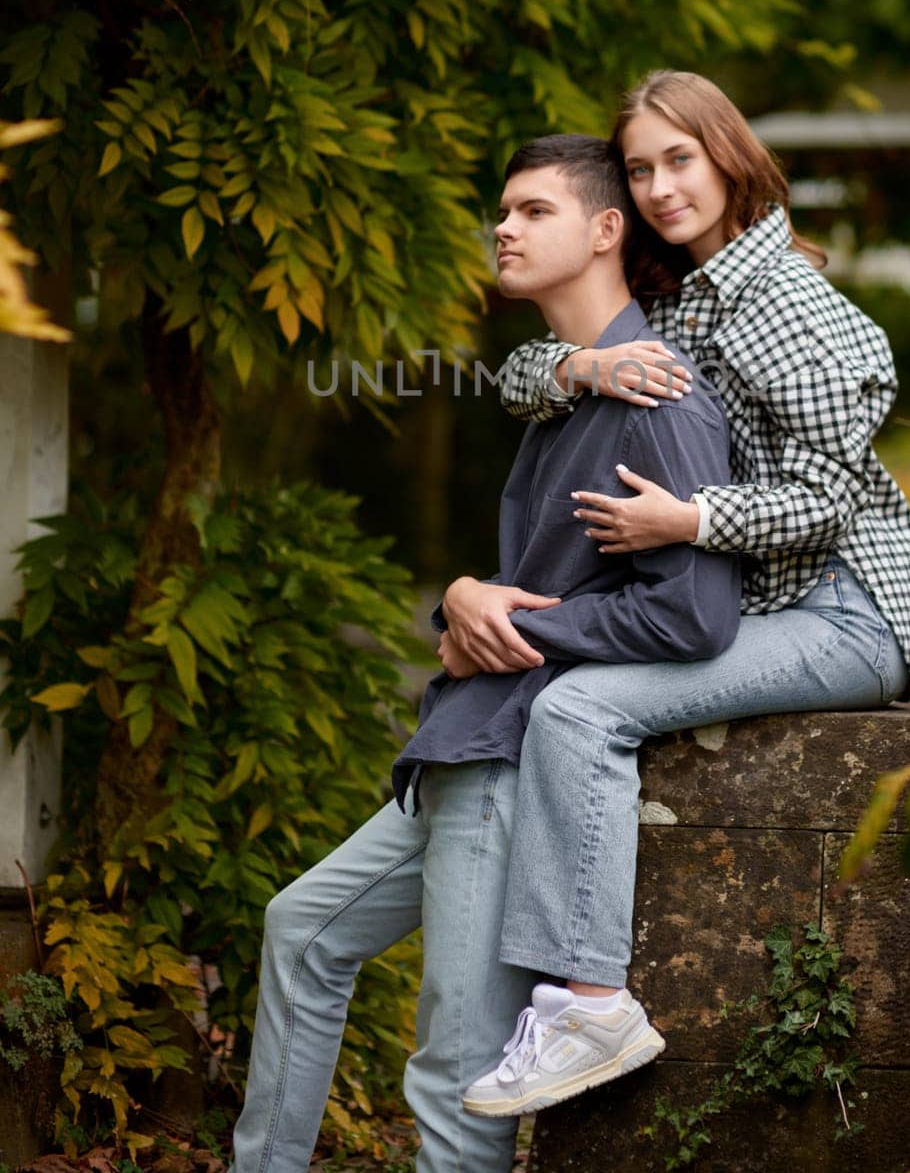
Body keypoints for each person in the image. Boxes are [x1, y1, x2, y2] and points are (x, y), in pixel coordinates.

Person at [229, 132, 739, 1173]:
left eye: (532, 210)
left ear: (606, 230)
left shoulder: (662, 395)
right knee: (301, 933)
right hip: (465, 746)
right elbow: (526, 579)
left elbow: (694, 615)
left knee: (454, 1071)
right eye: (500, 210)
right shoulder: (566, 386)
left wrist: (503, 627)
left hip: (514, 770)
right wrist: (463, 600)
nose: (502, 227)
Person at [440, 69, 910, 1118]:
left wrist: (689, 523)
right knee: (581, 695)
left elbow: (830, 498)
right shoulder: (683, 297)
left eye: (681, 160)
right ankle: (574, 1001)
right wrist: (577, 369)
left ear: (729, 154)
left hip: (846, 612)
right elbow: (521, 372)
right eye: (642, 167)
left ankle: (593, 1003)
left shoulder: (786, 301)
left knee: (581, 706)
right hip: (774, 606)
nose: (661, 187)